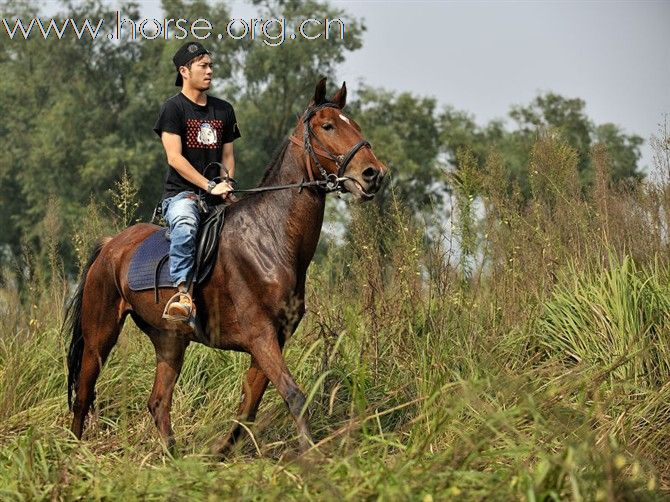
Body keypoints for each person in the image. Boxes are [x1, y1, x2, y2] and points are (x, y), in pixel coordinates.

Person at [153, 41, 241, 321]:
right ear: (184, 71)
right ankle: (182, 294)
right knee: (187, 224)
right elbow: (175, 158)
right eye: (203, 66)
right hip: (182, 195)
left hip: (217, 194)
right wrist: (208, 185)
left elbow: (228, 156)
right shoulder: (173, 109)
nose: (210, 71)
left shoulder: (224, 110)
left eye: (211, 65)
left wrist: (226, 184)